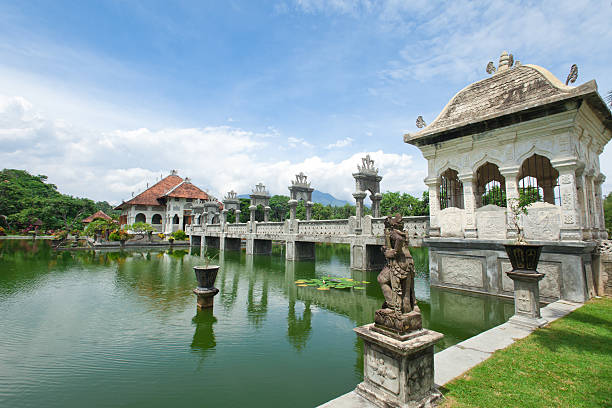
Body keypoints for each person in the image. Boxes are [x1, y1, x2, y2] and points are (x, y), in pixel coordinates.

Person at [377, 214, 417, 314]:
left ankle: (392, 306)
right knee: (406, 292)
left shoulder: (393, 231)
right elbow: (402, 241)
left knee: (381, 279)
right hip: (409, 262)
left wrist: (394, 251)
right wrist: (385, 249)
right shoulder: (404, 233)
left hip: (399, 262)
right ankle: (408, 309)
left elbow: (398, 239)